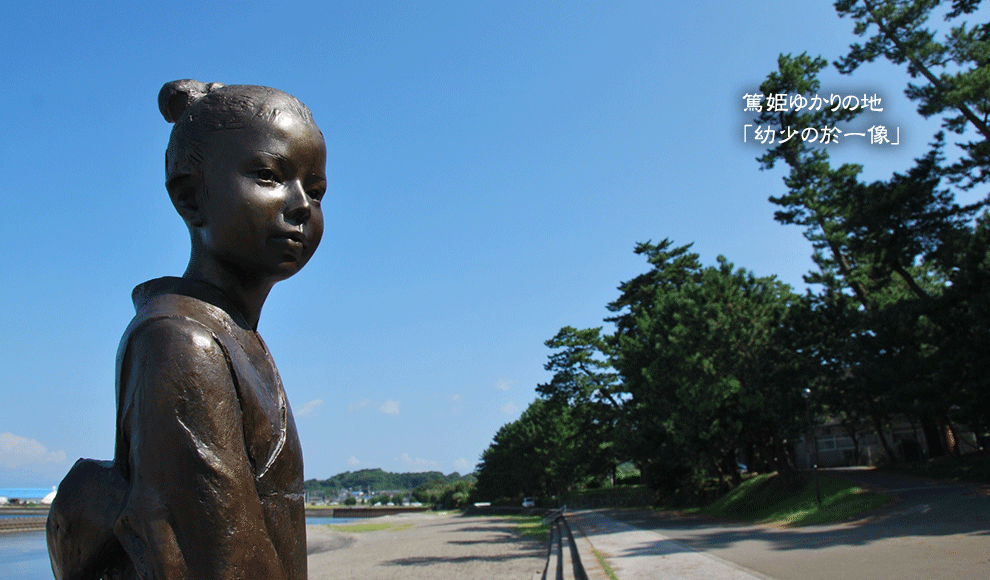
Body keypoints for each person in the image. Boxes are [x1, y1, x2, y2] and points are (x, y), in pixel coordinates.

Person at [47, 80, 326, 580]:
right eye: (269, 176)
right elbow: (221, 562)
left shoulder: (229, 337)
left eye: (316, 188)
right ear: (190, 197)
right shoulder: (182, 341)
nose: (302, 204)